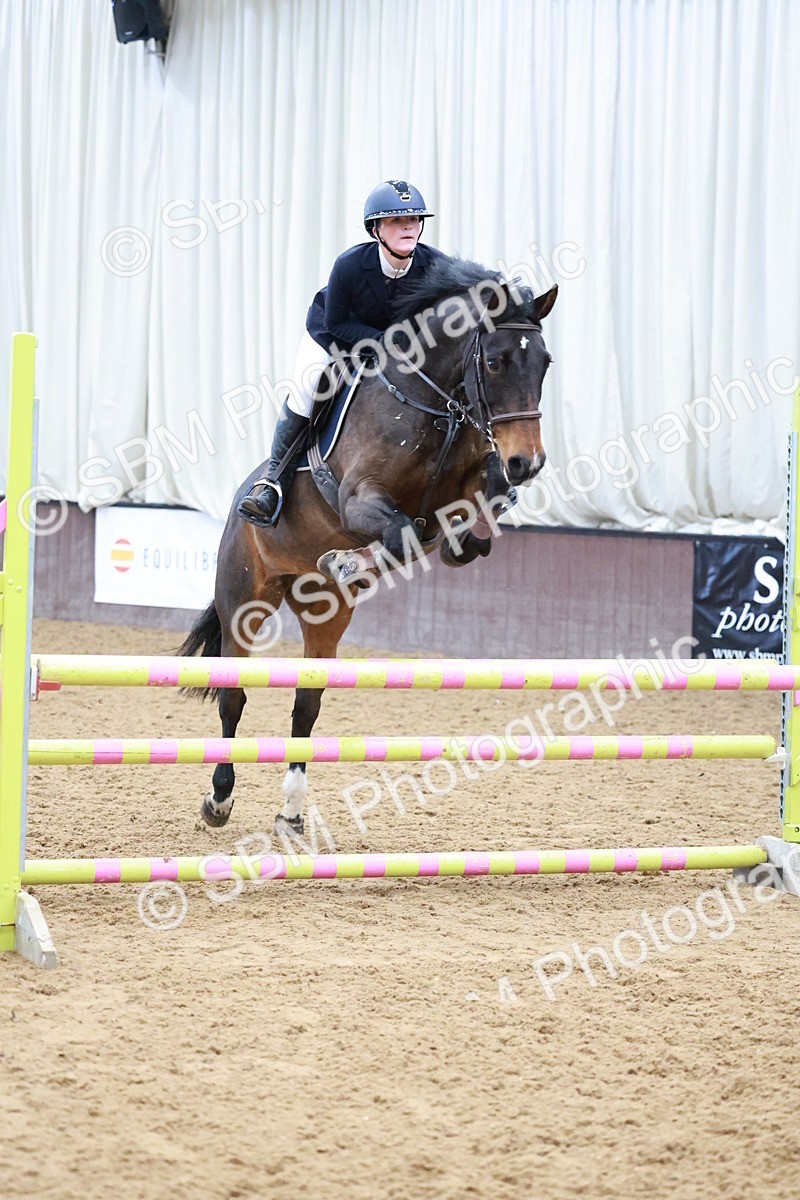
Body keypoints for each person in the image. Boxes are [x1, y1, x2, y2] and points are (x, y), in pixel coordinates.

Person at [238, 179, 446, 527]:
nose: (408, 226)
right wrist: (386, 343)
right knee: (308, 387)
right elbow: (336, 323)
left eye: (414, 219)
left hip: (392, 349)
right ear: (376, 229)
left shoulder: (435, 267)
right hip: (334, 338)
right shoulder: (349, 265)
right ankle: (273, 481)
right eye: (397, 220)